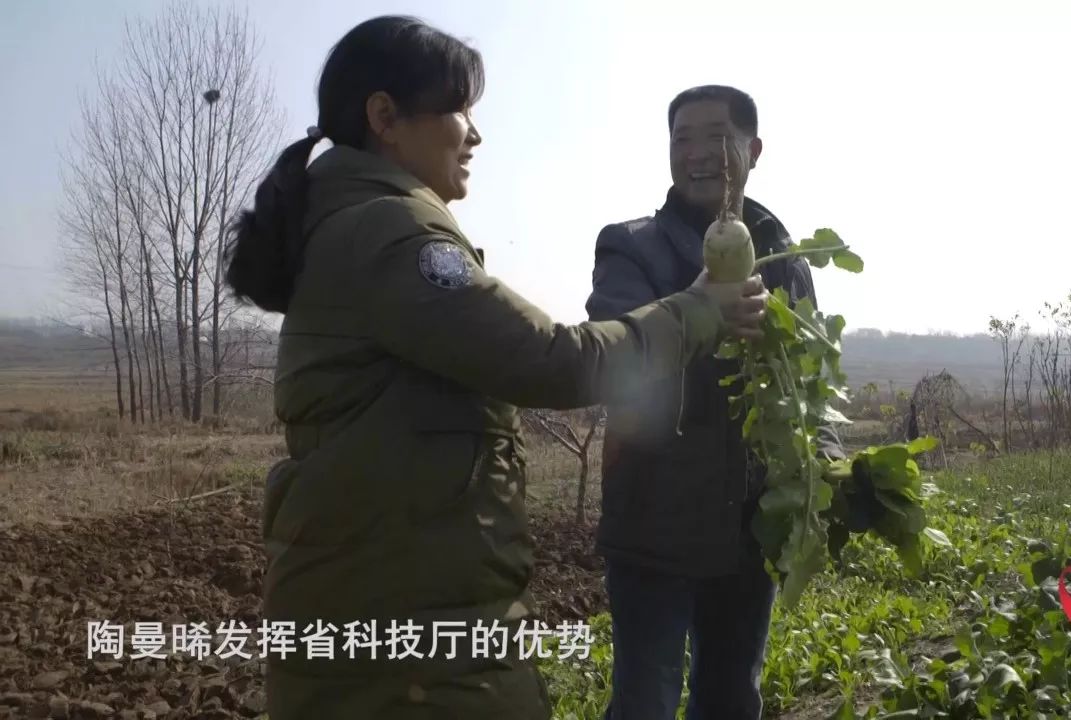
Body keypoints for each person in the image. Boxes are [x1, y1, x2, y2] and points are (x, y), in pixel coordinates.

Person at [222, 19, 769, 720]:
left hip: (401, 597)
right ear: (385, 117)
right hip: (405, 630)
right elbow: (557, 362)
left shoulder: (365, 221)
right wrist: (699, 309)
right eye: (458, 110)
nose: (474, 135)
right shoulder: (390, 233)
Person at [585, 85, 847, 720]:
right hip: (655, 524)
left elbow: (812, 380)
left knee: (732, 696)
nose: (698, 154)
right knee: (644, 700)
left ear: (753, 149)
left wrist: (831, 466)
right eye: (682, 139)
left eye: (716, 137)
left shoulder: (782, 254)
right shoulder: (631, 245)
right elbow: (615, 356)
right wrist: (703, 315)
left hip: (747, 528)